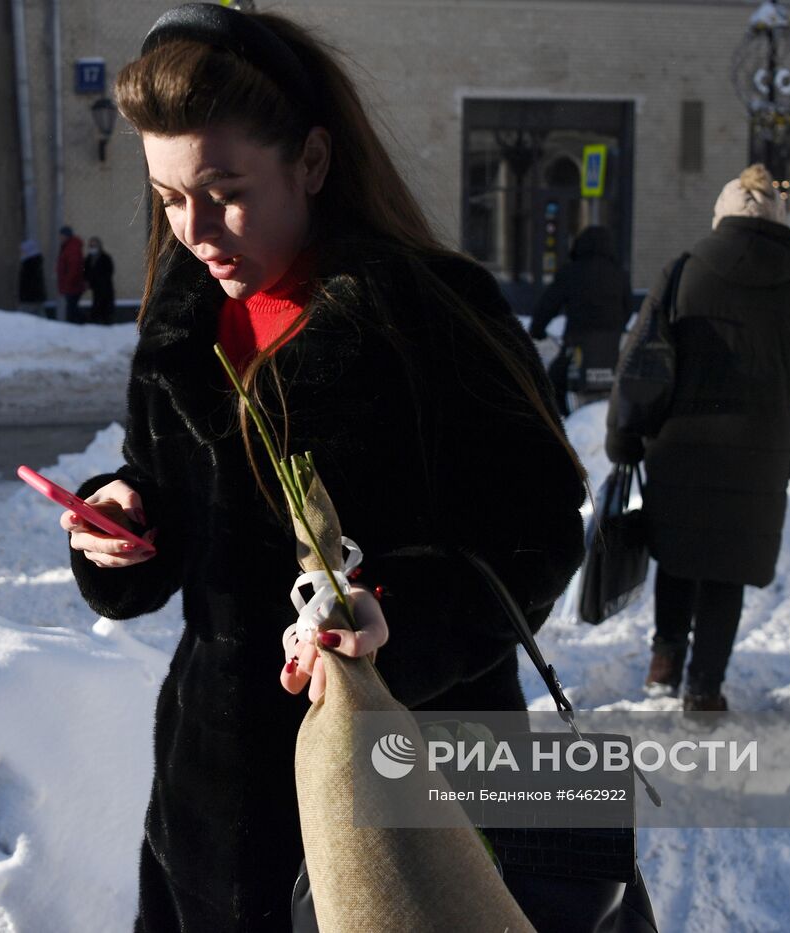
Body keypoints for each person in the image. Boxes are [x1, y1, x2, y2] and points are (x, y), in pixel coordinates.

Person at [61, 5, 594, 931]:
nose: (195, 230)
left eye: (225, 189)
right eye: (169, 198)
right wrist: (129, 516)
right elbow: (177, 497)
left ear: (310, 161)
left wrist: (401, 617)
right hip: (214, 803)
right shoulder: (181, 327)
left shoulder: (429, 313)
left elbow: (539, 526)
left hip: (408, 781)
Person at [606, 163, 790, 712]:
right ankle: (704, 687)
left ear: (721, 215)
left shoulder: (685, 269)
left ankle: (663, 666)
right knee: (727, 568)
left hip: (680, 445)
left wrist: (624, 436)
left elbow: (639, 360)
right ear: (777, 217)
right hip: (760, 453)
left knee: (678, 555)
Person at [528, 226, 633, 415]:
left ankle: (567, 424)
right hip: (610, 347)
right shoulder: (620, 275)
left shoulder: (571, 272)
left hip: (577, 344)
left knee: (551, 385)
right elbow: (628, 309)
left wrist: (537, 329)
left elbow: (548, 304)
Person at [56, 225, 86, 323]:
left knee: (72, 309)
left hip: (73, 285)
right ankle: (79, 324)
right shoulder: (68, 247)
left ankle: (81, 324)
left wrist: (68, 283)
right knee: (71, 307)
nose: (60, 238)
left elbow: (73, 267)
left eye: (62, 235)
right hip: (71, 284)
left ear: (67, 236)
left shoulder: (72, 248)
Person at [83, 236, 116, 324]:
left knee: (105, 306)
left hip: (105, 287)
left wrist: (100, 280)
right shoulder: (88, 259)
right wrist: (87, 281)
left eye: (94, 245)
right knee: (96, 306)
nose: (92, 248)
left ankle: (106, 321)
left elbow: (109, 271)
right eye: (91, 246)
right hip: (95, 288)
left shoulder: (105, 258)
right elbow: (85, 271)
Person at [17, 238, 48, 317]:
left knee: (26, 320)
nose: (22, 253)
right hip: (34, 298)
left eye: (23, 251)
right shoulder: (35, 263)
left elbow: (29, 282)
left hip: (29, 299)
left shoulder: (29, 264)